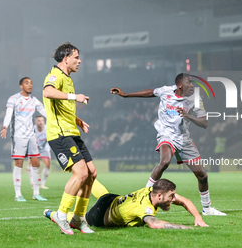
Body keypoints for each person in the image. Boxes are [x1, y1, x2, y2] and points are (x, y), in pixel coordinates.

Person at [111, 73, 226, 216]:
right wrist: (127, 95)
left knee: (202, 175)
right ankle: (144, 195)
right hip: (166, 135)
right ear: (180, 85)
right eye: (189, 83)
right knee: (164, 161)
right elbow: (151, 93)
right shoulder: (166, 91)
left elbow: (204, 123)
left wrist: (188, 115)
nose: (192, 85)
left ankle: (207, 209)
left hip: (183, 138)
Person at [43, 42, 97, 235]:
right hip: (59, 134)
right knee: (81, 173)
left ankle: (78, 218)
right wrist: (75, 97)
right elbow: (47, 92)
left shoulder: (67, 78)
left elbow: (61, 107)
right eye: (76, 57)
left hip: (71, 131)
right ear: (65, 59)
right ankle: (61, 214)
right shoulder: (56, 75)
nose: (79, 61)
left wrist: (77, 120)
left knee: (91, 173)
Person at [44, 178, 209, 229]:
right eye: (171, 196)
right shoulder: (143, 208)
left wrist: (198, 218)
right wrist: (186, 227)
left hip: (113, 199)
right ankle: (50, 213)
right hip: (102, 214)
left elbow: (184, 200)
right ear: (159, 196)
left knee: (104, 193)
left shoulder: (154, 190)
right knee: (77, 220)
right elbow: (154, 223)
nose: (174, 200)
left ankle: (88, 178)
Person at [0, 77, 47, 202]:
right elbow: (9, 114)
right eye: (27, 83)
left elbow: (44, 111)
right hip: (18, 135)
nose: (30, 85)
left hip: (31, 135)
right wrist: (5, 126)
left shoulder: (34, 100)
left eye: (31, 83)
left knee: (36, 162)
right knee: (19, 163)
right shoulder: (13, 99)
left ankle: (36, 192)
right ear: (21, 86)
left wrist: (54, 120)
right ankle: (18, 194)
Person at [28, 115, 52, 189]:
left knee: (47, 164)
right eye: (38, 121)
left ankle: (42, 184)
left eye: (42, 120)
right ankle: (32, 181)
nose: (40, 122)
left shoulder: (48, 128)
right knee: (32, 164)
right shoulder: (32, 129)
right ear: (35, 122)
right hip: (35, 148)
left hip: (45, 149)